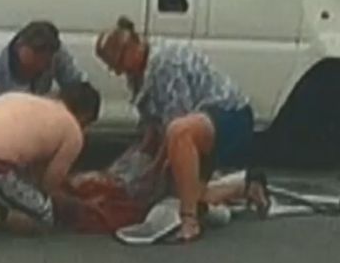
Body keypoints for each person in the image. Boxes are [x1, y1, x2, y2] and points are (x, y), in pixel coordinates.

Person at [94, 16, 270, 242]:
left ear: (133, 47)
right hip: (196, 125)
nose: (117, 72)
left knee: (178, 136)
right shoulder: (137, 74)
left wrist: (155, 169)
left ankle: (189, 221)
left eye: (117, 63)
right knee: (173, 192)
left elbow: (176, 127)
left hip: (228, 117)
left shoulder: (165, 63)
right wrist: (131, 167)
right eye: (111, 67)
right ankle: (245, 185)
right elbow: (152, 129)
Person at [0, 82, 101, 246]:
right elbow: (49, 186)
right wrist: (74, 203)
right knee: (44, 217)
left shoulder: (26, 99)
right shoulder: (72, 129)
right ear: (85, 116)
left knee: (12, 185)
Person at [0, 20, 88, 120]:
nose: (40, 66)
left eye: (44, 63)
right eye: (34, 60)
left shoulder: (56, 53)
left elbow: (79, 89)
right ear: (19, 46)